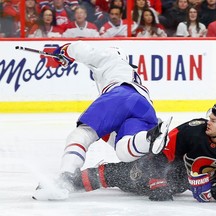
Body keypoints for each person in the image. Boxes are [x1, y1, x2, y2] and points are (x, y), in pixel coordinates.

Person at [32, 41, 172, 200]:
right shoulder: (133, 77)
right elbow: (111, 136)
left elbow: (81, 49)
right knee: (124, 151)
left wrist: (64, 52)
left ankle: (66, 176)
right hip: (145, 107)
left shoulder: (112, 59)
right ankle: (149, 138)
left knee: (82, 133)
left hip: (120, 95)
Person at [34, 100, 216, 203]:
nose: (208, 122)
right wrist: (158, 181)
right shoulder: (192, 130)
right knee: (118, 174)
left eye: (214, 120)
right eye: (210, 117)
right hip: (159, 172)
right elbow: (161, 152)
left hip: (179, 182)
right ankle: (68, 181)